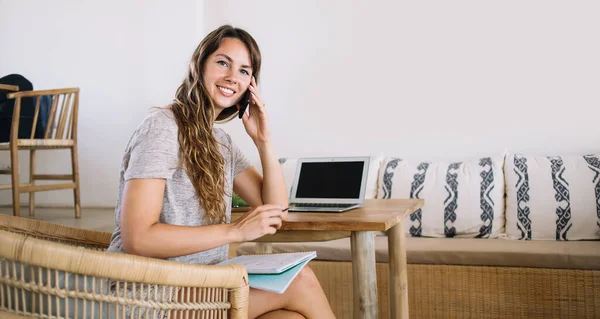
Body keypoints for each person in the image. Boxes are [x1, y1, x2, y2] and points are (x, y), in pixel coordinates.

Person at [107, 25, 336, 319]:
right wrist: (235, 231)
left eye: (244, 70)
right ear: (199, 65)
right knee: (301, 282)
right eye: (223, 63)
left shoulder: (221, 143)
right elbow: (138, 239)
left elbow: (277, 212)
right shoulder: (162, 127)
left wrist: (263, 141)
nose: (232, 77)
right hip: (149, 294)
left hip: (203, 285)